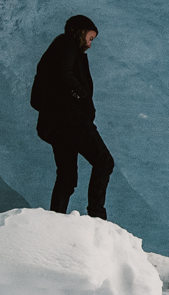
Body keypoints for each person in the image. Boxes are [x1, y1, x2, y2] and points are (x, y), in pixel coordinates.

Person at [30, 14, 114, 219]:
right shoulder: (66, 43)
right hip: (71, 121)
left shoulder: (64, 49)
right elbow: (63, 74)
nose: (90, 44)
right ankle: (96, 215)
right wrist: (81, 94)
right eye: (90, 38)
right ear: (79, 31)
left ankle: (55, 219)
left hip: (57, 125)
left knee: (67, 176)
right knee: (104, 161)